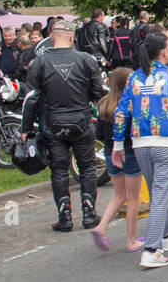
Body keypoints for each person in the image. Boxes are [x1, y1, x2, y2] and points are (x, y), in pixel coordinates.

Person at [111, 32, 168, 268]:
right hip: (166, 140)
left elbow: (121, 112)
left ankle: (165, 236)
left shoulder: (133, 78)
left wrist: (117, 144)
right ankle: (151, 249)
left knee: (157, 192)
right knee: (160, 196)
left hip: (141, 142)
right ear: (164, 51)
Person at [21, 20, 106, 233]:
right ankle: (88, 214)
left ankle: (65, 217)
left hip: (53, 123)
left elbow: (31, 98)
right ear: (71, 37)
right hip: (81, 121)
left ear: (51, 36)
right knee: (87, 167)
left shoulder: (39, 63)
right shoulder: (86, 60)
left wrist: (26, 127)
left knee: (58, 170)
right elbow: (98, 92)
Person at [89, 68, 145, 253]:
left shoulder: (104, 104)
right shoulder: (130, 104)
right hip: (129, 152)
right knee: (133, 198)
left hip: (108, 152)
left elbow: (99, 134)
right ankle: (130, 240)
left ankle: (102, 226)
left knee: (119, 195)